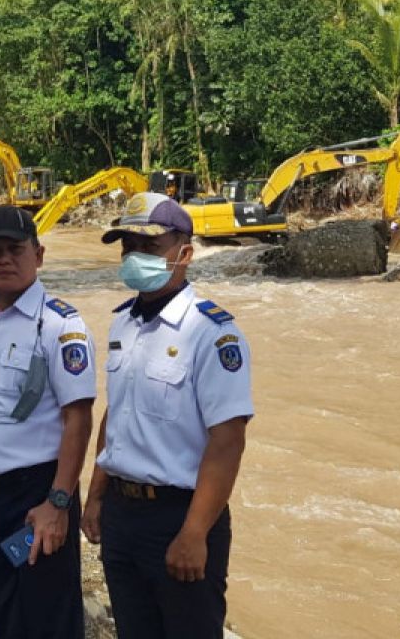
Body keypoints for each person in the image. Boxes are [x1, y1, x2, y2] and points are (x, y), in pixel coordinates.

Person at [81, 193, 253, 639]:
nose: (135, 256)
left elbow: (228, 439)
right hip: (122, 515)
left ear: (185, 254)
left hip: (180, 517)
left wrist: (195, 533)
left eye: (149, 246)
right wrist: (97, 495)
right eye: (128, 246)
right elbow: (115, 415)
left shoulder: (212, 332)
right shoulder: (124, 323)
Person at [0, 205, 96, 639]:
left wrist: (58, 504)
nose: (4, 259)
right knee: (0, 607)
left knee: (47, 616)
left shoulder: (60, 325)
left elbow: (78, 417)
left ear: (39, 254)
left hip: (35, 499)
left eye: (15, 249)